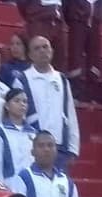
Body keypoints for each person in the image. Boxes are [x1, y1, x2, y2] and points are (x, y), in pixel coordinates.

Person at [11, 34, 80, 165]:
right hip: (31, 148)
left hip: (59, 147)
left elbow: (70, 113)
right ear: (30, 55)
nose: (42, 51)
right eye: (37, 48)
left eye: (45, 47)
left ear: (52, 51)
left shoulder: (62, 80)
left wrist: (73, 148)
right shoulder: (21, 80)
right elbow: (16, 116)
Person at [0, 87, 38, 180]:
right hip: (10, 185)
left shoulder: (33, 133)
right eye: (17, 101)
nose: (22, 104)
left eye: (25, 101)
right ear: (7, 106)